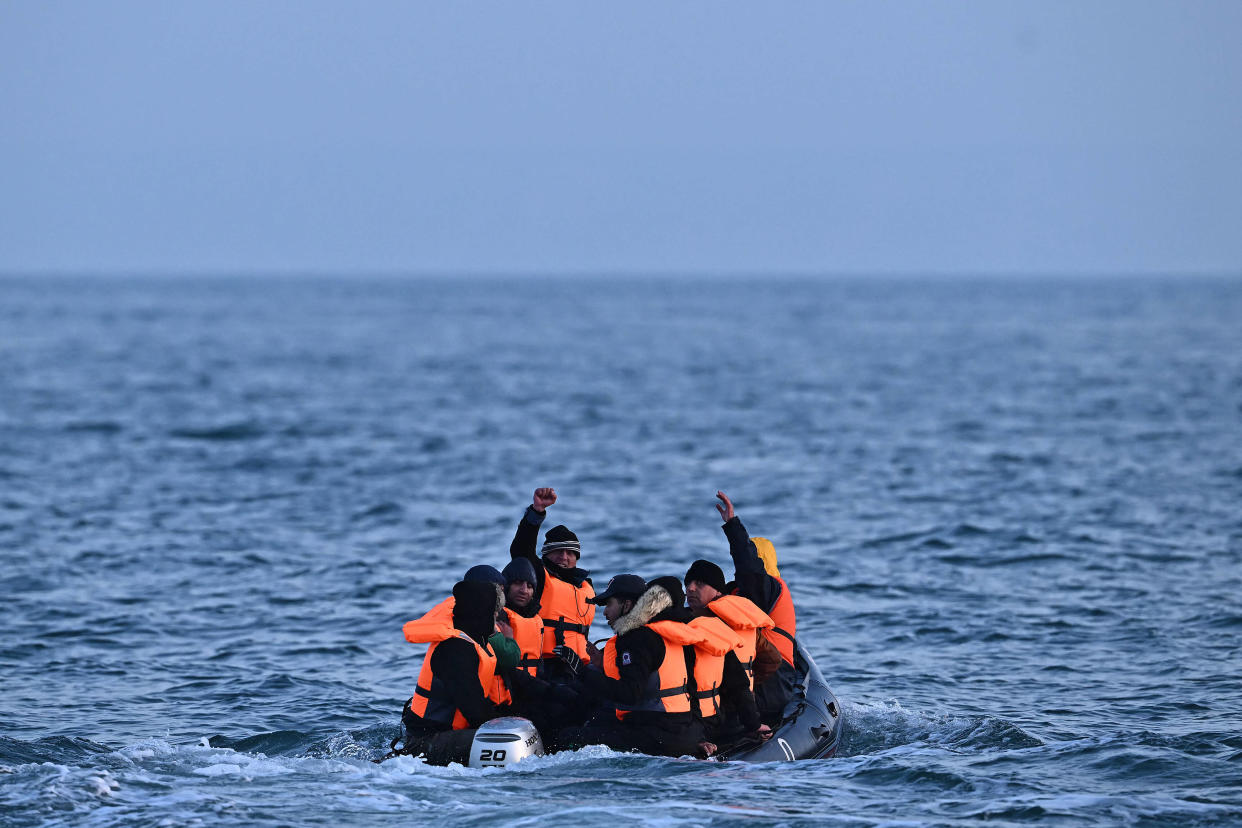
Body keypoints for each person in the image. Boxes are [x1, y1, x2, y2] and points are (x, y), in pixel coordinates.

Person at [553, 575, 710, 758]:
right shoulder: (666, 632)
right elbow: (690, 689)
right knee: (596, 718)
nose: (604, 613)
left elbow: (630, 694)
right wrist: (696, 737)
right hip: (681, 730)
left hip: (655, 735)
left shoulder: (636, 638)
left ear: (627, 605)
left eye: (609, 604)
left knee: (567, 737)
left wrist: (580, 670)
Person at [390, 580, 512, 765]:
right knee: (506, 743)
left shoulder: (474, 642)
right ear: (482, 613)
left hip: (448, 734)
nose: (496, 617)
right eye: (494, 611)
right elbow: (474, 709)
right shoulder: (455, 648)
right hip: (426, 742)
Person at [714, 491, 799, 724]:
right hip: (750, 678)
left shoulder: (767, 589)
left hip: (771, 683)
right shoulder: (740, 593)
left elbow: (748, 569)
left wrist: (732, 526)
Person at [684, 558, 773, 746]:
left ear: (717, 590)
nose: (690, 588)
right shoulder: (742, 618)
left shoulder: (701, 625)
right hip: (743, 713)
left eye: (699, 583)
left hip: (716, 719)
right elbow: (772, 660)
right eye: (687, 583)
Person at [509, 487, 596, 670]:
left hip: (579, 666)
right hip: (545, 665)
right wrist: (536, 512)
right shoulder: (538, 576)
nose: (564, 557)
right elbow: (521, 551)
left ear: (576, 557)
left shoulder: (586, 587)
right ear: (546, 555)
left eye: (570, 553)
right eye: (557, 551)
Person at [404, 564, 520, 673]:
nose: (502, 597)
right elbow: (509, 660)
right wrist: (508, 639)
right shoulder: (479, 619)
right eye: (499, 591)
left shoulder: (452, 609)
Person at [500, 558, 544, 677]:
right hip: (508, 686)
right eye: (518, 583)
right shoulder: (498, 615)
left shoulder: (537, 620)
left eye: (529, 586)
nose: (524, 590)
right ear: (506, 586)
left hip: (533, 684)